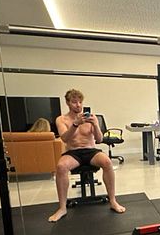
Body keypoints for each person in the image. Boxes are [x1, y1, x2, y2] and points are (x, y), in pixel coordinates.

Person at [48, 88, 126, 222]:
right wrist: (75, 124)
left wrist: (95, 125)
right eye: (74, 102)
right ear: (68, 103)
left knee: (107, 162)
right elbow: (65, 138)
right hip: (73, 152)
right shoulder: (61, 119)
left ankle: (113, 201)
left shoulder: (91, 118)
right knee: (61, 167)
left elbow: (99, 139)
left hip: (90, 151)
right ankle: (62, 208)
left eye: (80, 102)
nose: (78, 105)